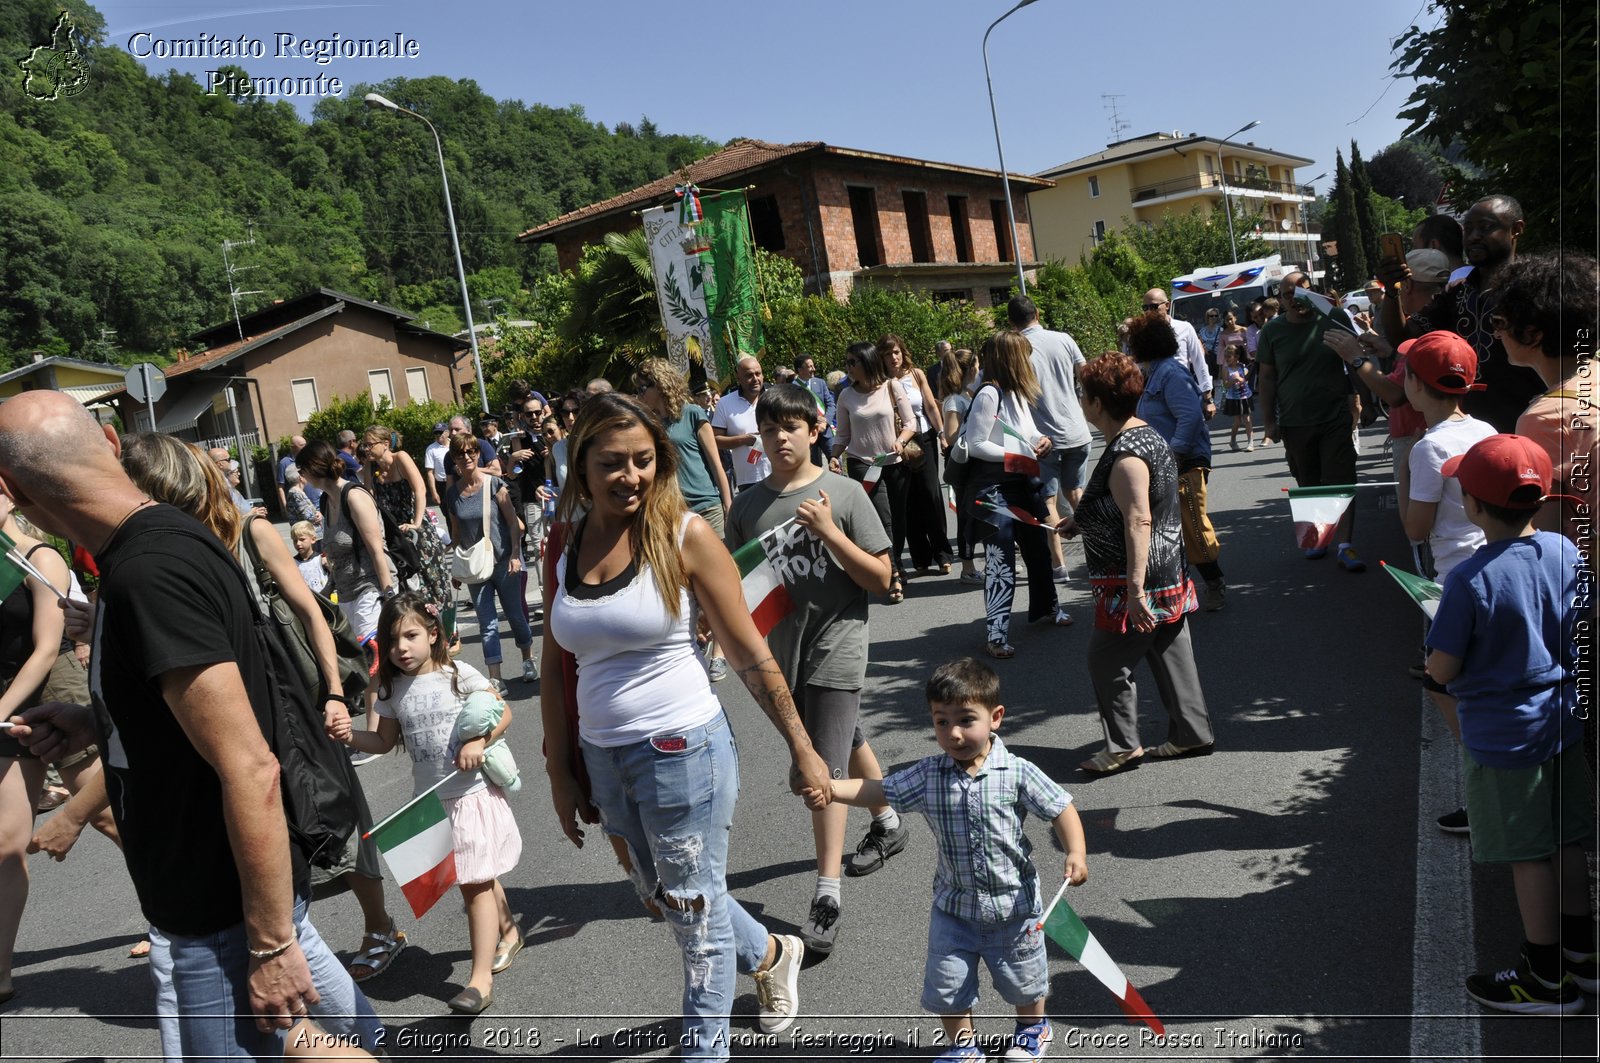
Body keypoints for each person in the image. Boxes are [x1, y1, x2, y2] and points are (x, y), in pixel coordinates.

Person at [0, 392, 374, 1057]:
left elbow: (248, 764)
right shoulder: (155, 546)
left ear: (14, 494)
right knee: (324, 1043)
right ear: (113, 441)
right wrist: (94, 721)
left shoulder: (148, 573)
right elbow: (198, 711)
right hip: (228, 903)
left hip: (218, 913)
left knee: (303, 1046)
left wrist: (269, 944)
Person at [541, 392, 832, 1057]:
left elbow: (749, 652)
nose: (630, 476)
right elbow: (555, 658)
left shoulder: (685, 535)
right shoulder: (563, 540)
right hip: (604, 755)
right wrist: (560, 769)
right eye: (612, 462)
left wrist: (802, 746)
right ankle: (771, 951)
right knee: (663, 897)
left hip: (682, 751)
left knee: (695, 930)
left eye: (643, 460)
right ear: (580, 465)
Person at [117, 433, 401, 1026]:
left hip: (291, 694)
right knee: (285, 823)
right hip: (243, 698)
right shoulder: (177, 551)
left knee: (337, 813)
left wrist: (330, 692)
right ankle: (306, 960)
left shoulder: (251, 532)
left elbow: (312, 612)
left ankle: (380, 928)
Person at [801, 657, 1088, 1063]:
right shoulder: (928, 775)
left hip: (1015, 907)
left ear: (996, 718)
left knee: (1026, 980)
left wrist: (1075, 851)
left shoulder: (1017, 772)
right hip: (954, 909)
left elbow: (1061, 807)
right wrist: (832, 789)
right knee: (947, 985)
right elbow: (877, 789)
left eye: (966, 720)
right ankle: (963, 1047)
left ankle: (1032, 1030)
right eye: (940, 721)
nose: (953, 734)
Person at [726, 384, 908, 956]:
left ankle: (826, 893)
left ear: (813, 428)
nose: (781, 437)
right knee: (844, 735)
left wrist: (830, 533)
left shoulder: (845, 493)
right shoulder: (748, 507)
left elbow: (882, 581)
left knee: (819, 774)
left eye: (792, 426)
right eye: (770, 427)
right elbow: (733, 586)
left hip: (839, 646)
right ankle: (888, 818)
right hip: (782, 657)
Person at [1425, 434, 1594, 1015]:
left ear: (1472, 506)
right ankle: (1583, 955)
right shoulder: (1567, 551)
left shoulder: (1468, 579)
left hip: (1504, 734)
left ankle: (1544, 977)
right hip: (1561, 718)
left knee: (1529, 855)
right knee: (1566, 838)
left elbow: (1442, 668)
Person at [342, 592, 521, 1015]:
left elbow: (505, 712)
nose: (401, 648)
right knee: (478, 873)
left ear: (433, 633)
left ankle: (478, 982)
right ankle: (510, 932)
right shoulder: (390, 689)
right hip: (431, 802)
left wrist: (480, 738)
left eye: (410, 636)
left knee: (473, 880)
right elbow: (384, 742)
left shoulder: (460, 673)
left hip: (472, 795)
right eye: (392, 640)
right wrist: (350, 736)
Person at [1058, 353, 1214, 774]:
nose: (1081, 400)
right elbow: (1135, 504)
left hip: (1139, 579)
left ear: (1096, 402)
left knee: (1105, 659)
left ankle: (1124, 745)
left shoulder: (1125, 452)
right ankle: (1192, 733)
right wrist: (1081, 519)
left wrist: (1133, 591)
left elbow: (1140, 517)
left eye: (1083, 394)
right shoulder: (1145, 434)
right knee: (1169, 648)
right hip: (1167, 571)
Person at [1387, 196, 1546, 432]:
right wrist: (1392, 290)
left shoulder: (1537, 288)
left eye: (1486, 227)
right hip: (1475, 435)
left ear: (1516, 230)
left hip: (1533, 429)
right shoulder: (1457, 294)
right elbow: (1401, 337)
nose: (1473, 237)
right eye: (1468, 229)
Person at [0, 489, 71, 1006]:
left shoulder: (40, 557)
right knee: (6, 846)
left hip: (41, 703)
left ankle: (174, 918)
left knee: (113, 820)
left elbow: (48, 647)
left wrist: (2, 707)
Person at [960, 332, 1070, 658]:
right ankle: (996, 634)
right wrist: (1018, 456)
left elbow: (1026, 431)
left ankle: (1049, 606)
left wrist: (1041, 440)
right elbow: (977, 444)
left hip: (1020, 483)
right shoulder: (988, 395)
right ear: (1011, 359)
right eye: (1025, 355)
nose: (1029, 362)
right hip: (993, 490)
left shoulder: (1016, 394)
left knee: (1037, 548)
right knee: (1000, 559)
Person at [636, 358, 737, 683]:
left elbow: (716, 464)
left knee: (717, 581)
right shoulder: (650, 425)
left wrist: (727, 501)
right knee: (684, 584)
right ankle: (698, 636)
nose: (641, 393)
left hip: (707, 506)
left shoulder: (693, 414)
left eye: (644, 387)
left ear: (660, 384)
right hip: (673, 512)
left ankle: (720, 653)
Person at [1257, 271, 1367, 571]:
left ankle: (1346, 546)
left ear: (1313, 293)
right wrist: (1268, 421)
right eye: (1287, 294)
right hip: (1295, 422)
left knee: (1342, 479)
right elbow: (1266, 378)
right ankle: (1317, 539)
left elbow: (1356, 362)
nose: (1294, 299)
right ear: (1280, 300)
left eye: (1301, 292)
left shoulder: (1334, 320)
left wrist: (1364, 400)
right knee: (1308, 483)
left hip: (1334, 417)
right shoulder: (1272, 332)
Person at [1496, 252, 1598, 548]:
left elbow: (1548, 540)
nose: (1496, 333)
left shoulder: (1543, 417)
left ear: (1532, 334)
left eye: (1500, 321)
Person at [1126, 315, 1228, 612]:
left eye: (1133, 340)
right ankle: (1180, 591)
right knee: (1169, 529)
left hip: (1185, 461)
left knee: (1193, 526)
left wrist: (1175, 454)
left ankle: (1215, 583)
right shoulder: (1151, 373)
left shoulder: (1171, 372)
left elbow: (1191, 417)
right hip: (1165, 462)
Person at [298, 439, 397, 724]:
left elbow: (377, 548)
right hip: (347, 592)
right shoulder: (326, 500)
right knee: (371, 660)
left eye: (303, 469)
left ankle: (375, 730)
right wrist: (324, 591)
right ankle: (395, 719)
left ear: (314, 468)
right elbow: (335, 554)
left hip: (371, 588)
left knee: (371, 661)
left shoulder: (353, 496)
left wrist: (388, 592)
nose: (302, 477)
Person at [1008, 296, 1092, 585]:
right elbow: (1085, 374)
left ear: (1011, 323)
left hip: (1044, 439)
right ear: (1038, 313)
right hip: (1077, 431)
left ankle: (1059, 566)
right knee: (1077, 492)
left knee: (1048, 501)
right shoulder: (1064, 338)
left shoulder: (1018, 351)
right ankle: (1097, 554)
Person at [445, 432, 536, 693]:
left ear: (476, 453)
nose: (467, 457)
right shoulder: (453, 495)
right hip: (476, 567)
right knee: (487, 624)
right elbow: (457, 532)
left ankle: (528, 658)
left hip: (505, 562)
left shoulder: (494, 484)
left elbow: (513, 524)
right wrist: (456, 566)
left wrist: (516, 556)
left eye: (471, 451)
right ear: (454, 459)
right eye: (461, 453)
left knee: (516, 617)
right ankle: (495, 676)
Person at [830, 341, 916, 604]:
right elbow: (843, 434)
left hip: (893, 461)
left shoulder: (891, 386)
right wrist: (834, 456)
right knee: (883, 519)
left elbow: (911, 421)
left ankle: (895, 563)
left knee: (899, 520)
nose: (847, 368)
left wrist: (901, 440)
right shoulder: (845, 396)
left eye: (851, 362)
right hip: (862, 464)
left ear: (866, 362)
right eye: (846, 363)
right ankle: (893, 578)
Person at [359, 425, 455, 652]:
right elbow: (369, 501)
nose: (367, 449)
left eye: (370, 444)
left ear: (385, 444)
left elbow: (420, 489)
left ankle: (448, 632)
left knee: (434, 583)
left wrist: (417, 521)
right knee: (410, 589)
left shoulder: (400, 458)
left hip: (416, 532)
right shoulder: (371, 468)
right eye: (365, 445)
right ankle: (424, 635)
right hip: (394, 536)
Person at [881, 333, 954, 578]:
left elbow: (931, 406)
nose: (894, 357)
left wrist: (942, 433)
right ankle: (920, 557)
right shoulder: (880, 382)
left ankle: (942, 553)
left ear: (903, 353)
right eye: (889, 353)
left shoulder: (916, 374)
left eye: (897, 352)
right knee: (908, 500)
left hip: (923, 438)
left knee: (930, 494)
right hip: (897, 444)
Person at [938, 346, 982, 585]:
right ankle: (967, 567)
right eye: (976, 365)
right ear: (967, 369)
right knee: (966, 515)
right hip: (964, 465)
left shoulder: (966, 395)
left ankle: (977, 563)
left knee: (978, 513)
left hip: (974, 462)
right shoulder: (955, 400)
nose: (978, 369)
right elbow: (951, 435)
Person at [1142, 288, 1214, 417]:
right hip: (1156, 396)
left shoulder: (1184, 328)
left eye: (1153, 307)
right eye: (1145, 308)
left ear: (1167, 305)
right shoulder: (1143, 333)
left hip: (1183, 389)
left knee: (1194, 429)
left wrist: (1207, 398)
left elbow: (1199, 362)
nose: (1149, 312)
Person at [711, 355, 771, 493]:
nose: (755, 379)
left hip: (779, 472)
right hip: (748, 480)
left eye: (758, 374)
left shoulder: (775, 397)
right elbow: (716, 440)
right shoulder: (725, 403)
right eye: (749, 375)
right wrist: (744, 440)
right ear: (739, 378)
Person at [794, 353, 836, 463]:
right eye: (810, 366)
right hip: (808, 432)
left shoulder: (820, 383)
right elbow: (795, 411)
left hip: (825, 430)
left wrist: (825, 421)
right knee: (813, 465)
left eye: (813, 366)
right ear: (799, 369)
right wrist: (815, 420)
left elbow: (831, 405)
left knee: (835, 461)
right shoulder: (792, 387)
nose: (814, 369)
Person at [1222, 346, 1254, 451]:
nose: (1226, 358)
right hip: (1233, 398)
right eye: (1225, 356)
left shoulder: (1242, 366)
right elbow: (1225, 385)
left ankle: (1250, 442)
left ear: (1236, 357)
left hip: (1245, 396)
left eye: (1229, 356)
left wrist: (1241, 379)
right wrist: (1233, 380)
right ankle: (1233, 440)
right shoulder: (1226, 369)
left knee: (1247, 419)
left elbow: (1245, 379)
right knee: (1237, 421)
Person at [291, 520, 330, 596]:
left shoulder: (321, 559)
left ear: (313, 539)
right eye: (295, 541)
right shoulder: (293, 563)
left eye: (302, 539)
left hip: (325, 599)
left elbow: (335, 577)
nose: (298, 544)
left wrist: (329, 566)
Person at [276, 434, 310, 514]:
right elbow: (280, 487)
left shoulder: (309, 458)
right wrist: (285, 506)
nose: (305, 447)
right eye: (302, 445)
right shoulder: (284, 463)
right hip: (296, 505)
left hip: (312, 502)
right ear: (293, 447)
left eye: (306, 444)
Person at [423, 422, 451, 506]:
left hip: (457, 481)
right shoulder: (431, 449)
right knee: (446, 512)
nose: (438, 435)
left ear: (447, 433)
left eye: (440, 432)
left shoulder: (455, 444)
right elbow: (430, 472)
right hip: (442, 485)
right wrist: (434, 492)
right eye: (436, 433)